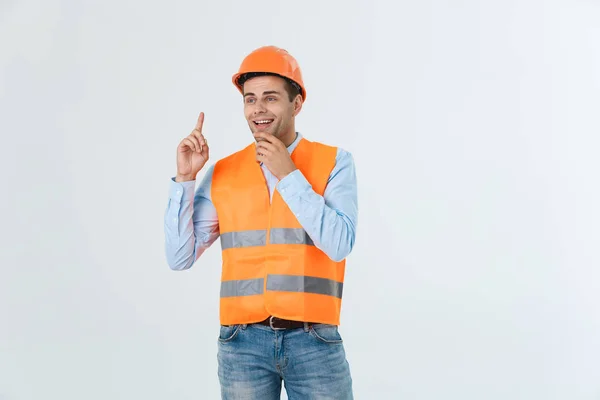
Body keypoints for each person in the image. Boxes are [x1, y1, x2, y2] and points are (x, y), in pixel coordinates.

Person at [164, 45, 358, 399]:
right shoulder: (223, 171)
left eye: (270, 98)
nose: (258, 109)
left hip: (314, 338)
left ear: (296, 104)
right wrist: (185, 180)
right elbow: (180, 257)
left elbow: (340, 243)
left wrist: (290, 176)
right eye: (250, 99)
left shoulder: (335, 162)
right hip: (242, 344)